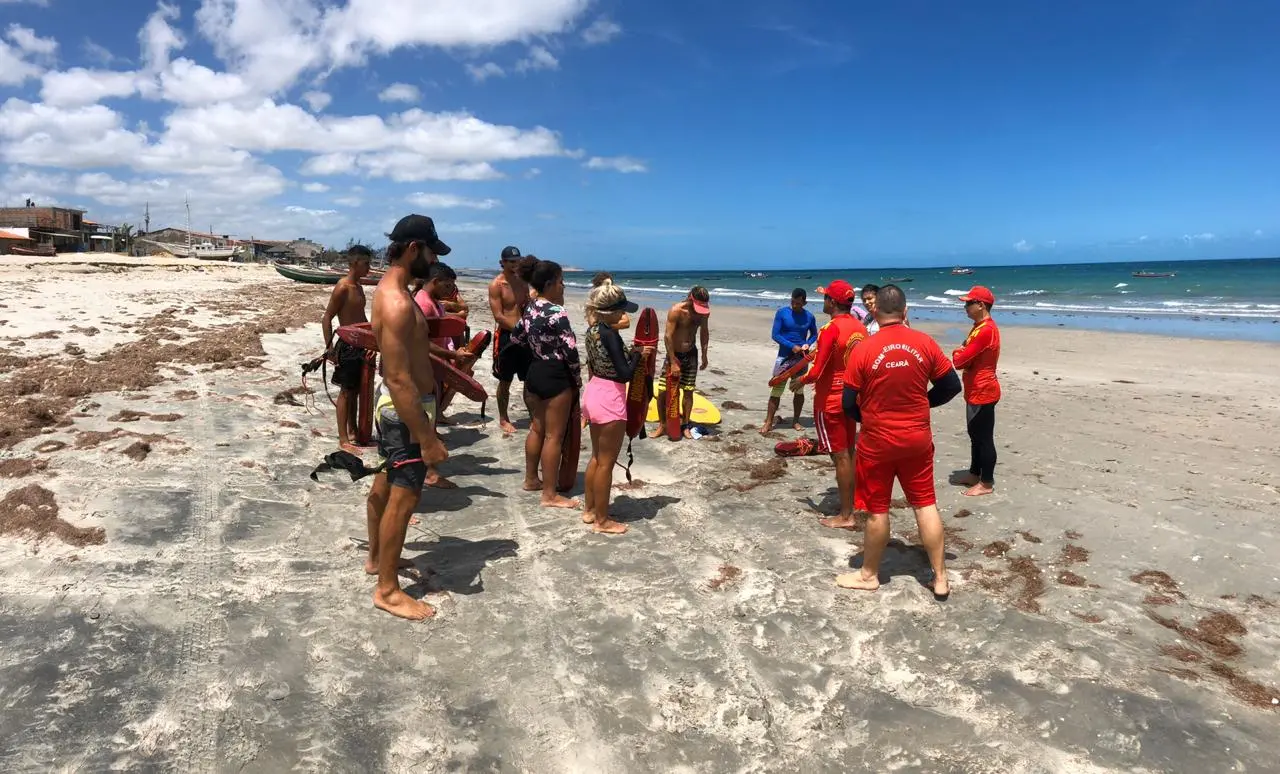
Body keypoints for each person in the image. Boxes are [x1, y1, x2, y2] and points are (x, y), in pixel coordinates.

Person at [838, 284, 961, 599]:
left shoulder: (864, 349)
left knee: (877, 510)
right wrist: (923, 402)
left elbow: (848, 402)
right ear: (906, 311)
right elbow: (951, 385)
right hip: (916, 438)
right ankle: (941, 577)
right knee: (925, 504)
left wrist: (867, 416)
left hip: (877, 440)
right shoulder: (924, 343)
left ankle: (868, 575)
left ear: (875, 312)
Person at [365, 215, 451, 621]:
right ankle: (387, 591)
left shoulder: (395, 292)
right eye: (431, 252)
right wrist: (427, 438)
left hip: (401, 408)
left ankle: (376, 559)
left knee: (386, 481)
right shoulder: (398, 302)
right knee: (405, 496)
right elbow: (399, 378)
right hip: (405, 411)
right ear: (415, 248)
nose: (433, 262)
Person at [511, 257, 582, 509]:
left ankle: (531, 479)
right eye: (561, 282)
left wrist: (536, 346)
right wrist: (577, 378)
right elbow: (570, 350)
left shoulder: (530, 308)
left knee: (537, 429)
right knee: (554, 436)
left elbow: (516, 336)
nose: (564, 286)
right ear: (550, 283)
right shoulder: (556, 312)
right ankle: (550, 494)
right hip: (555, 375)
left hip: (535, 372)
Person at [580, 280, 649, 534]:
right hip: (610, 397)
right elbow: (624, 374)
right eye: (620, 310)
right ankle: (602, 520)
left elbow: (604, 361)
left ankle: (589, 510)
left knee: (597, 457)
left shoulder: (593, 329)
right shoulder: (610, 334)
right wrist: (639, 355)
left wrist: (631, 353)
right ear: (609, 311)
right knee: (606, 463)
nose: (623, 315)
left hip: (594, 391)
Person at [798, 281, 868, 529]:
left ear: (833, 302)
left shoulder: (830, 328)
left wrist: (800, 381)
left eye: (826, 297)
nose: (823, 301)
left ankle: (846, 514)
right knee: (850, 451)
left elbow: (817, 371)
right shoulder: (860, 327)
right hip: (853, 397)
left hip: (830, 399)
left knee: (840, 456)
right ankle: (855, 502)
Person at [412, 262, 477, 487]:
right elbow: (421, 342)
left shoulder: (433, 302)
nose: (450, 290)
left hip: (435, 365)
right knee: (425, 418)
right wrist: (452, 355)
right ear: (436, 281)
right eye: (447, 285)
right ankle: (429, 472)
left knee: (430, 416)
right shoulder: (423, 304)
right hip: (425, 367)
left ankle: (427, 467)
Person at [321, 245, 373, 453]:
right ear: (355, 263)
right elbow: (327, 317)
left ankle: (353, 431)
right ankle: (343, 438)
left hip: (361, 344)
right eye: (366, 263)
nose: (369, 268)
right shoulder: (343, 287)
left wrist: (372, 340)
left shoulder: (358, 287)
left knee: (357, 391)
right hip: (347, 346)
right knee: (346, 392)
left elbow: (361, 317)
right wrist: (330, 348)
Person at [951, 286, 1001, 497]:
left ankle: (986, 482)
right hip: (975, 390)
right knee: (974, 435)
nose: (965, 307)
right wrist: (962, 351)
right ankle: (974, 473)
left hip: (984, 391)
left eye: (968, 303)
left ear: (981, 305)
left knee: (984, 438)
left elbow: (960, 361)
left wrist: (958, 351)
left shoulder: (986, 330)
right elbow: (966, 356)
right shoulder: (978, 327)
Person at [652, 286, 711, 439]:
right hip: (674, 354)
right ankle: (662, 425)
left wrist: (704, 355)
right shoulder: (676, 310)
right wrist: (673, 361)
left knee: (688, 390)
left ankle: (685, 425)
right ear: (691, 298)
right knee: (663, 391)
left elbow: (704, 332)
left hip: (691, 355)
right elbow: (668, 336)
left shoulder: (704, 313)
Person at [487, 246, 533, 434]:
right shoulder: (496, 285)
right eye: (512, 262)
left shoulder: (523, 282)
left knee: (529, 379)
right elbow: (498, 316)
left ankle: (533, 415)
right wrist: (520, 330)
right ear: (503, 262)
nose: (516, 265)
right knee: (505, 380)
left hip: (525, 336)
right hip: (507, 337)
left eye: (518, 261)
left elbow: (527, 307)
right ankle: (503, 418)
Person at [763, 288, 818, 434]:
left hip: (801, 359)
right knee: (777, 389)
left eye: (798, 303)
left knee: (798, 390)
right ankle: (769, 422)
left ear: (804, 303)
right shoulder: (782, 313)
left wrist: (807, 343)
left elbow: (814, 334)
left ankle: (796, 421)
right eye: (793, 302)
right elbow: (775, 335)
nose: (795, 305)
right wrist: (791, 346)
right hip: (784, 358)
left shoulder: (809, 317)